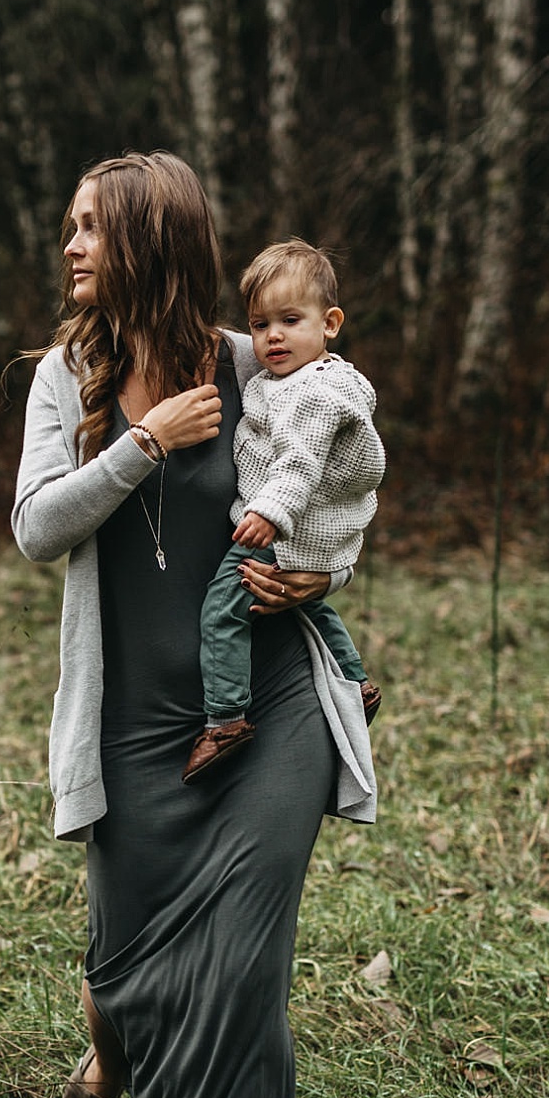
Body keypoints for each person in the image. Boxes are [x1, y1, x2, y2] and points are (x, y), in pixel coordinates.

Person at [11, 152, 377, 1098]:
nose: (69, 245)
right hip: (132, 724)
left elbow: (344, 471)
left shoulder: (252, 361)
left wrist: (324, 574)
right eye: (69, 226)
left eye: (90, 227)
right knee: (123, 966)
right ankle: (115, 1051)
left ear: (150, 243)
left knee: (243, 953)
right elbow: (35, 527)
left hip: (266, 708)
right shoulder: (61, 379)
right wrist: (141, 444)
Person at [183, 239, 385, 785]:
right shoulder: (291, 380)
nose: (272, 336)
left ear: (331, 323)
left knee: (223, 610)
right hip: (308, 529)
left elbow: (300, 458)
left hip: (283, 526)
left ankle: (225, 719)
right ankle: (355, 681)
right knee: (303, 606)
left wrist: (270, 512)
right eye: (259, 324)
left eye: (290, 320)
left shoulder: (313, 391)